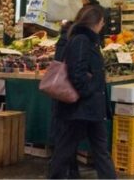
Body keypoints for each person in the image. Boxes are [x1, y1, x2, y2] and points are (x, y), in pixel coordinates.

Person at [47, 5, 116, 179]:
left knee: (100, 151)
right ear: (97, 23)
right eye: (102, 22)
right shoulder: (81, 41)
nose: (103, 26)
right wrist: (88, 90)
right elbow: (76, 73)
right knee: (65, 151)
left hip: (91, 108)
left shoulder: (88, 40)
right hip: (80, 108)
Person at [50, 20, 80, 180]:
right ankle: (63, 172)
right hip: (67, 92)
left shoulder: (61, 42)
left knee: (64, 135)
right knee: (66, 136)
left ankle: (67, 171)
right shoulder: (71, 43)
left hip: (60, 92)